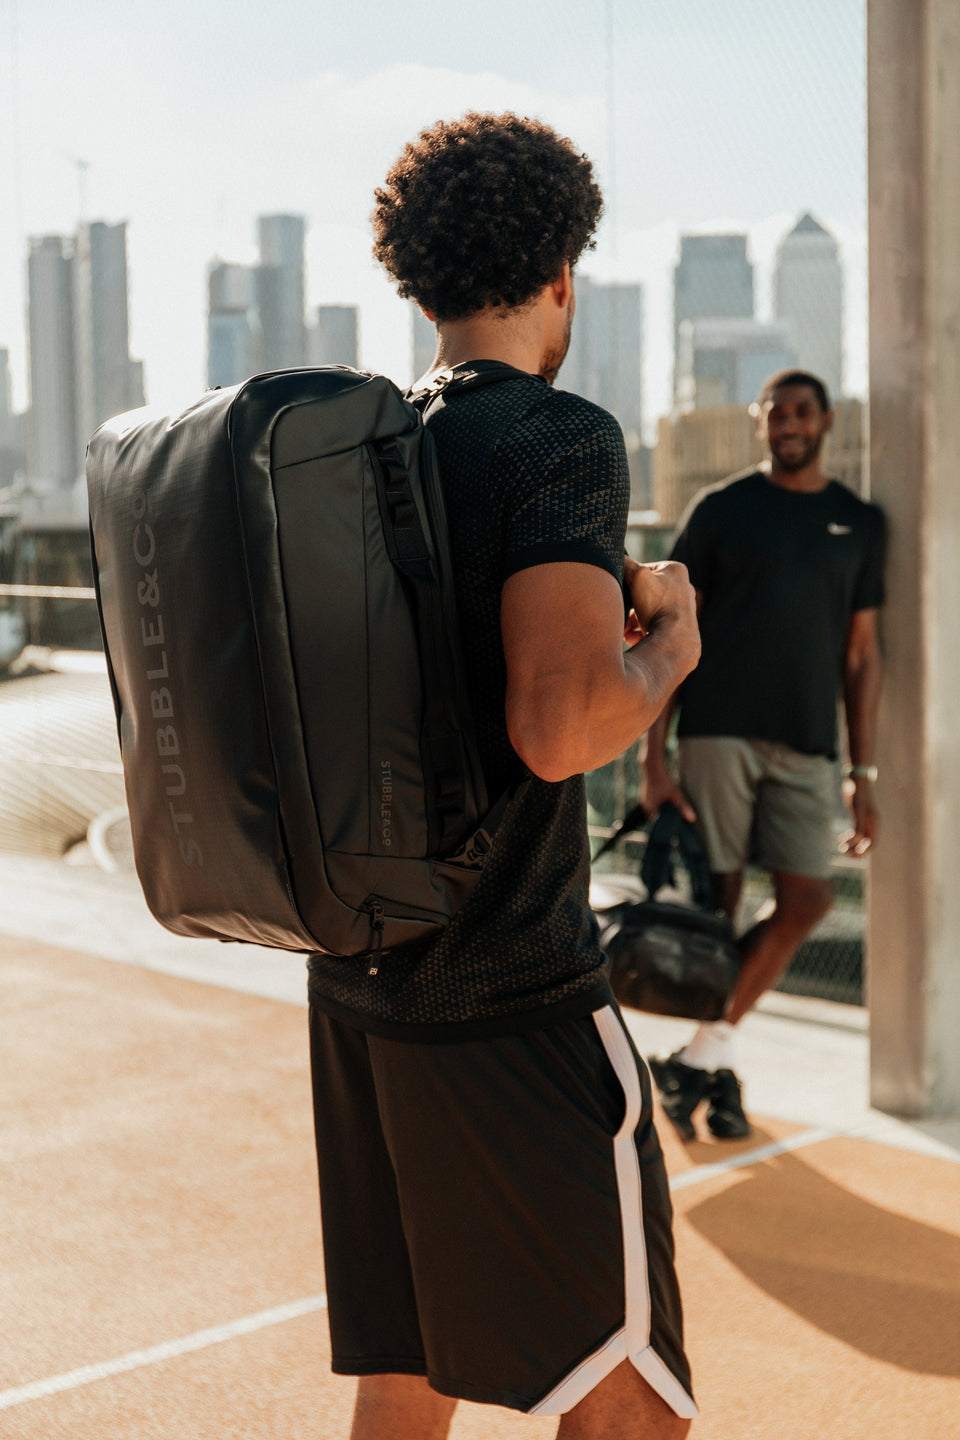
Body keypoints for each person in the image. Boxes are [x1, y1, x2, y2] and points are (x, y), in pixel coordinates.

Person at [305, 112, 701, 1439]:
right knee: (631, 1401)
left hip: (363, 989)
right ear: (560, 276)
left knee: (409, 1385)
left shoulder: (357, 449)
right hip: (516, 995)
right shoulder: (556, 441)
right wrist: (666, 660)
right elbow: (557, 723)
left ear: (416, 279)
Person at [641, 369, 886, 1143]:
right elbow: (669, 639)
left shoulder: (858, 522)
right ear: (760, 424)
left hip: (811, 744)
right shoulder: (721, 510)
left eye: (801, 412)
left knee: (808, 899)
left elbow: (863, 657)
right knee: (719, 913)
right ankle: (713, 1068)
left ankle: (702, 1056)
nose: (788, 424)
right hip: (718, 734)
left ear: (825, 422)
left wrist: (862, 773)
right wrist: (654, 758)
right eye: (775, 413)